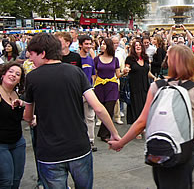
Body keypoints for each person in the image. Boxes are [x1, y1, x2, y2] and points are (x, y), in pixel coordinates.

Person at [109, 45, 194, 188]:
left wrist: (120, 143)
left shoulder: (157, 86)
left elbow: (142, 122)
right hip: (189, 150)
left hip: (161, 150)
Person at [21, 33, 121, 188]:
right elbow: (98, 108)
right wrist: (114, 133)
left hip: (50, 152)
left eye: (32, 54)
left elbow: (27, 116)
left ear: (42, 53)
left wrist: (32, 119)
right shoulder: (76, 72)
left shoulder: (33, 77)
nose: (30, 59)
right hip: (79, 148)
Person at [94, 38, 126, 142]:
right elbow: (94, 74)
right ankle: (104, 133)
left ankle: (105, 134)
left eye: (104, 44)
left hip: (112, 85)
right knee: (101, 110)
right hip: (99, 85)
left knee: (109, 109)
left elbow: (118, 75)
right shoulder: (97, 59)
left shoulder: (115, 59)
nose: (102, 46)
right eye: (101, 44)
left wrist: (124, 72)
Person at [0, 62, 26, 189]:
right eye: (10, 72)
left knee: (17, 179)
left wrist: (22, 104)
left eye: (17, 74)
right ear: (3, 73)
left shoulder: (18, 95)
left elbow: (24, 117)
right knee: (6, 180)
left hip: (18, 142)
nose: (13, 75)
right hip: (1, 144)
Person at [125, 39, 156, 139]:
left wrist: (154, 78)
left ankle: (143, 127)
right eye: (135, 45)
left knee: (144, 107)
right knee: (136, 108)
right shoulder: (130, 59)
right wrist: (125, 70)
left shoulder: (145, 58)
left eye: (139, 45)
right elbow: (126, 69)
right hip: (134, 87)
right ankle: (136, 130)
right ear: (133, 48)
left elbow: (147, 72)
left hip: (145, 86)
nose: (138, 46)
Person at [79, 35, 97, 152]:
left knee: (90, 117)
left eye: (90, 44)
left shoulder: (90, 59)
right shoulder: (76, 59)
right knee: (78, 118)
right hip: (77, 93)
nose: (89, 46)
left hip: (89, 92)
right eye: (86, 44)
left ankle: (90, 141)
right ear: (80, 44)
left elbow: (93, 74)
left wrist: (91, 87)